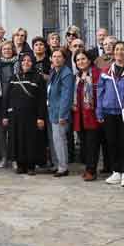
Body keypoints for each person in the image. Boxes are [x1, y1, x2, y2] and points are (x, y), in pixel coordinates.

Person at [97, 40, 124, 186]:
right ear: (113, 53)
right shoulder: (105, 71)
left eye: (122, 49)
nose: (119, 52)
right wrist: (99, 110)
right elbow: (100, 92)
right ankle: (116, 171)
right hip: (109, 111)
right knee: (112, 142)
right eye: (117, 50)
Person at [4, 53, 46, 175]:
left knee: (31, 140)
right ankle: (20, 164)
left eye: (29, 61)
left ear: (32, 63)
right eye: (24, 61)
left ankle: (31, 166)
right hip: (15, 116)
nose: (26, 63)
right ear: (20, 63)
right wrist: (5, 115)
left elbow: (42, 99)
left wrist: (40, 117)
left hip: (32, 116)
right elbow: (7, 98)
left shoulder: (38, 78)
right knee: (17, 139)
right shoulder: (13, 78)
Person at [71, 50, 102, 181]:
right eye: (78, 60)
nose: (80, 62)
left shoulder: (97, 74)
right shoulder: (77, 76)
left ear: (89, 60)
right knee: (85, 144)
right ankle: (89, 168)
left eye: (83, 59)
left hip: (93, 115)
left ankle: (91, 170)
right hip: (80, 116)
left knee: (92, 145)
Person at [46, 48, 75, 177]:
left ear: (64, 59)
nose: (56, 59)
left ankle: (63, 168)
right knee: (55, 139)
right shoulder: (54, 71)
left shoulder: (66, 73)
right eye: (54, 56)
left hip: (60, 112)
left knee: (60, 140)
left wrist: (63, 114)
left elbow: (66, 95)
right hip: (52, 110)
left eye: (59, 57)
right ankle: (58, 164)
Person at [0, 40, 20, 168]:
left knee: (14, 131)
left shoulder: (18, 64)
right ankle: (4, 157)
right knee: (1, 131)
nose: (7, 51)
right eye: (4, 49)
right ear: (1, 51)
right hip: (0, 101)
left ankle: (14, 158)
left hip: (14, 100)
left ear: (13, 50)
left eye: (9, 49)